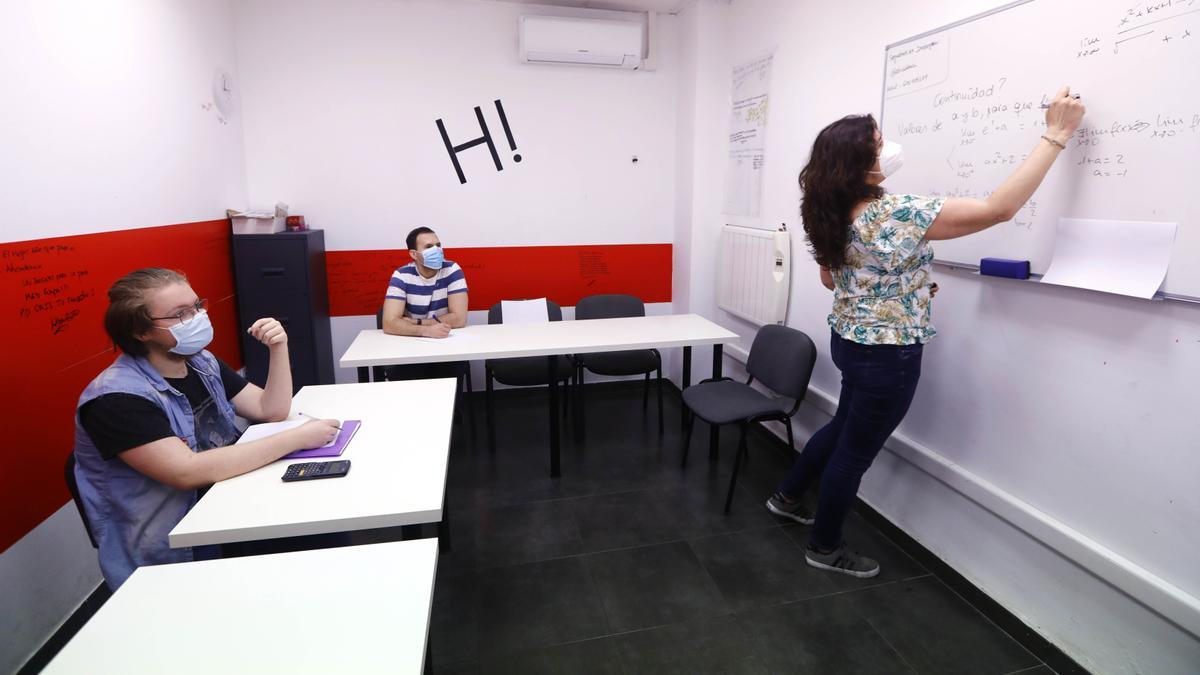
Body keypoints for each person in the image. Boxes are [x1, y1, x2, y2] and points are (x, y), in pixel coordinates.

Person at [765, 87, 1086, 577]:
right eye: (879, 142)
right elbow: (998, 209)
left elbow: (833, 278)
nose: (887, 147)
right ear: (861, 163)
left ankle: (787, 498)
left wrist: (899, 286)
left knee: (840, 427)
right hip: (887, 355)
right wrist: (1056, 134)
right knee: (853, 455)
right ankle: (824, 548)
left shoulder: (825, 208)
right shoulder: (894, 213)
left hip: (850, 341)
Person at [73, 268, 340, 589]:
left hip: (230, 502)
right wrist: (296, 437)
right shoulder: (115, 398)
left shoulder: (201, 363)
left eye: (197, 306)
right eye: (180, 314)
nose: (197, 317)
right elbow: (186, 472)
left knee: (321, 535)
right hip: (177, 546)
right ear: (141, 332)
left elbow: (270, 409)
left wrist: (278, 348)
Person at [381, 226, 469, 338]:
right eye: (429, 247)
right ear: (414, 254)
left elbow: (459, 319)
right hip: (412, 341)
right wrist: (426, 331)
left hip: (446, 338)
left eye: (438, 245)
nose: (437, 250)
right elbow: (389, 324)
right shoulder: (401, 276)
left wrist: (417, 322)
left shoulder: (452, 270)